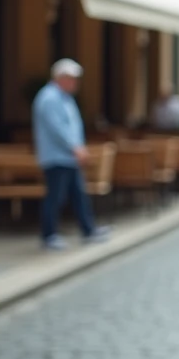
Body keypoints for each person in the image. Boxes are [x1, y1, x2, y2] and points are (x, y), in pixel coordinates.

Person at [32, 59, 111, 250]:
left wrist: (77, 148)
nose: (76, 82)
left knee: (78, 195)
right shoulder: (50, 98)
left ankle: (88, 230)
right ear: (61, 78)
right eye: (72, 78)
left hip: (68, 157)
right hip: (57, 157)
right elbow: (58, 129)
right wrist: (75, 147)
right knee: (55, 197)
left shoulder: (63, 97)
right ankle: (48, 235)